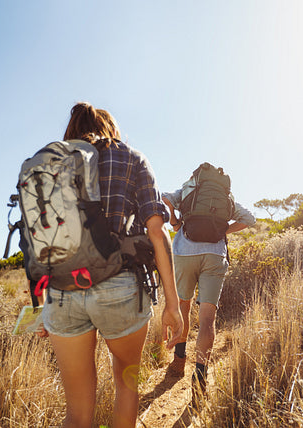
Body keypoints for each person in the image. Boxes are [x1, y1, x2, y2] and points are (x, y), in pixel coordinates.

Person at [41, 102, 183, 428]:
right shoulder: (131, 157)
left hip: (63, 292)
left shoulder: (52, 164)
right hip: (119, 286)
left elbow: (42, 241)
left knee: (76, 414)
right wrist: (172, 305)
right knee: (126, 383)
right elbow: (157, 232)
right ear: (110, 127)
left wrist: (42, 305)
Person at [162, 175, 255, 404]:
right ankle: (201, 377)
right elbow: (250, 219)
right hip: (215, 256)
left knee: (183, 306)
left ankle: (179, 360)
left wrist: (175, 220)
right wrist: (224, 231)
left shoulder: (187, 190)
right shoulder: (226, 197)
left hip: (184, 253)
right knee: (207, 318)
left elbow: (164, 198)